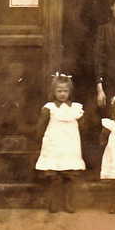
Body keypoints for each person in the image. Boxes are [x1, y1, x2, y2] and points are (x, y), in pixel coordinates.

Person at [35, 73, 85, 213]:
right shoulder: (50, 108)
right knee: (54, 176)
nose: (62, 94)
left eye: (65, 91)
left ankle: (68, 203)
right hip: (54, 144)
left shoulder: (75, 108)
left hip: (70, 145)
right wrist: (40, 138)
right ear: (53, 92)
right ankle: (54, 202)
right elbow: (41, 126)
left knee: (69, 175)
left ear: (70, 91)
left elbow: (83, 126)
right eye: (59, 91)